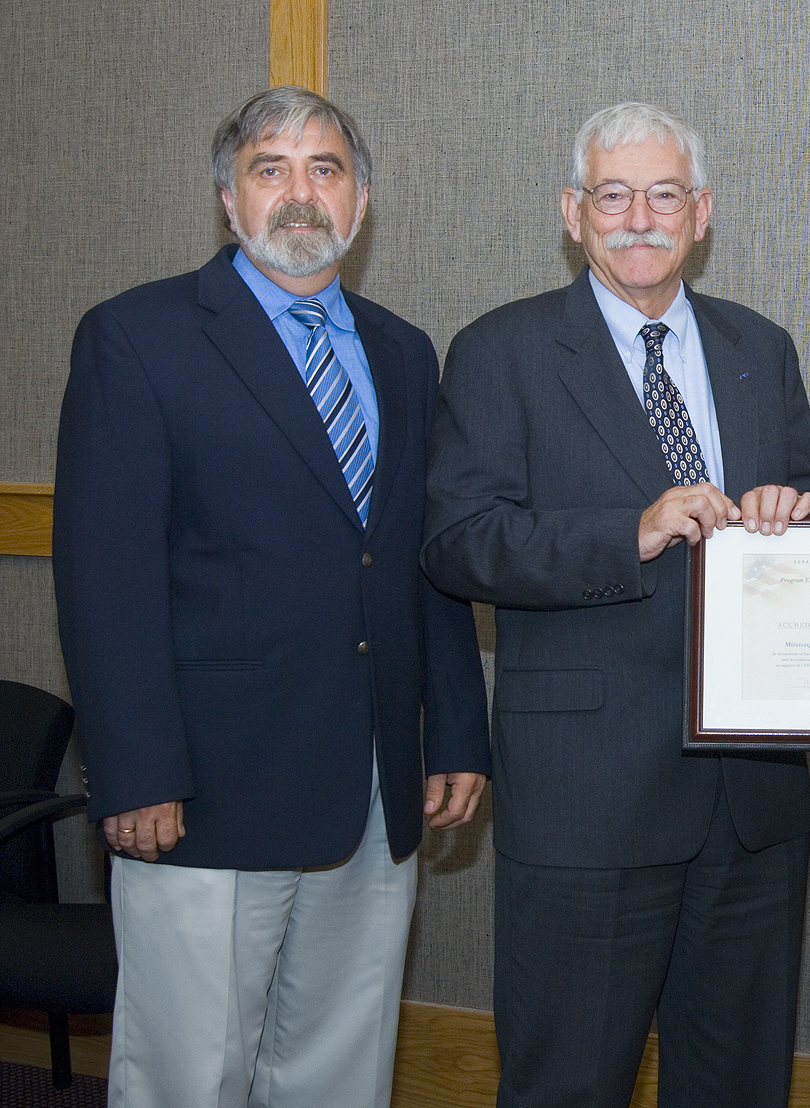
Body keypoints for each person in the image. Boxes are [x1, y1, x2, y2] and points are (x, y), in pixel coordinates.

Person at [52, 86, 491, 1108]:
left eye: (325, 169)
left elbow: (417, 557)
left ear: (362, 200)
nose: (301, 193)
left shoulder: (401, 349)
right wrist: (133, 772)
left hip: (374, 780)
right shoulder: (138, 337)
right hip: (205, 788)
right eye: (271, 169)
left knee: (339, 1066)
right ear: (228, 198)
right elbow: (104, 575)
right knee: (187, 1072)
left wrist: (457, 732)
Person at [421, 101, 810, 1108]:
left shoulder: (758, 346)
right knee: (567, 1082)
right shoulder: (500, 352)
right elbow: (456, 541)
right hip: (586, 804)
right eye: (613, 194)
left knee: (738, 1085)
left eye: (663, 195)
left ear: (701, 212)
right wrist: (631, 529)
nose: (639, 217)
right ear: (574, 211)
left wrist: (805, 506)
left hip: (752, 806)